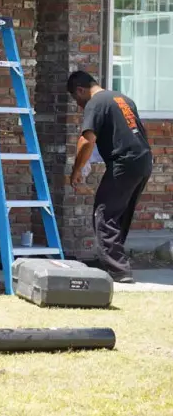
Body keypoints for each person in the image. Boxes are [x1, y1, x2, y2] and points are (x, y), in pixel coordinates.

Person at [67, 71, 152, 283]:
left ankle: (119, 270)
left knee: (104, 214)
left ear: (80, 90)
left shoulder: (95, 103)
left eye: (77, 100)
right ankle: (112, 261)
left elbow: (87, 141)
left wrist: (76, 171)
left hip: (124, 162)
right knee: (119, 214)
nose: (79, 105)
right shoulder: (123, 99)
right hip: (143, 159)